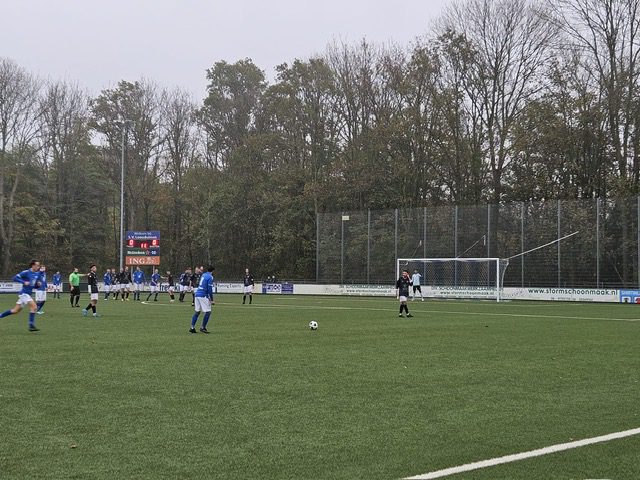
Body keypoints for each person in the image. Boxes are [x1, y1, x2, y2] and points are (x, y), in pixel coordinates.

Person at [0, 260, 43, 331]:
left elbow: (33, 286)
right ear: (33, 265)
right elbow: (14, 278)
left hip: (28, 295)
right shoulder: (26, 272)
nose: (38, 267)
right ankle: (31, 325)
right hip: (24, 294)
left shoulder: (37, 274)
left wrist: (38, 285)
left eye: (39, 265)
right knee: (34, 307)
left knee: (15, 311)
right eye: (37, 265)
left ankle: (0, 315)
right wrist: (23, 282)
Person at [189, 265, 215, 334]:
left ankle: (192, 327)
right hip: (203, 295)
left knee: (197, 311)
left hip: (197, 294)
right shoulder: (210, 277)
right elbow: (209, 289)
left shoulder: (203, 275)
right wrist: (212, 299)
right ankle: (203, 327)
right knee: (208, 312)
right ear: (212, 271)